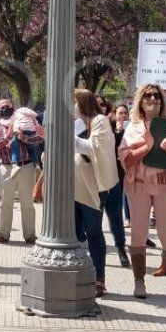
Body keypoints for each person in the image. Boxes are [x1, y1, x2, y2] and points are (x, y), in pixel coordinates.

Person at [118, 84, 166, 300]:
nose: (152, 99)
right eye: (147, 96)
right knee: (138, 232)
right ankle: (139, 282)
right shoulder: (132, 127)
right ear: (141, 100)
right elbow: (126, 158)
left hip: (165, 184)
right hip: (138, 183)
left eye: (156, 95)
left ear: (162, 100)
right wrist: (147, 146)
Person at [73, 89, 119, 297]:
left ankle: (99, 278)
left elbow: (94, 148)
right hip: (71, 186)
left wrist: (65, 138)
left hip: (92, 186)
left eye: (73, 102)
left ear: (81, 103)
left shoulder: (99, 120)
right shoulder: (75, 122)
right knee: (74, 233)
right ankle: (78, 274)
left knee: (93, 231)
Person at [0, 98, 41, 244]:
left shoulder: (23, 122)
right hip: (6, 167)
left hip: (26, 166)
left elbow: (37, 139)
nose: (6, 108)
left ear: (13, 107)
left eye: (8, 106)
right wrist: (8, 136)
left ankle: (30, 235)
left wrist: (23, 137)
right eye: (3, 107)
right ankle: (3, 234)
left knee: (27, 203)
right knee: (6, 202)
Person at [103, 102, 131, 267]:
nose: (122, 116)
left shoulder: (126, 128)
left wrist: (121, 131)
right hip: (98, 179)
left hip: (117, 178)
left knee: (115, 215)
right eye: (120, 113)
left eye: (124, 113)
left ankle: (121, 248)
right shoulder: (102, 127)